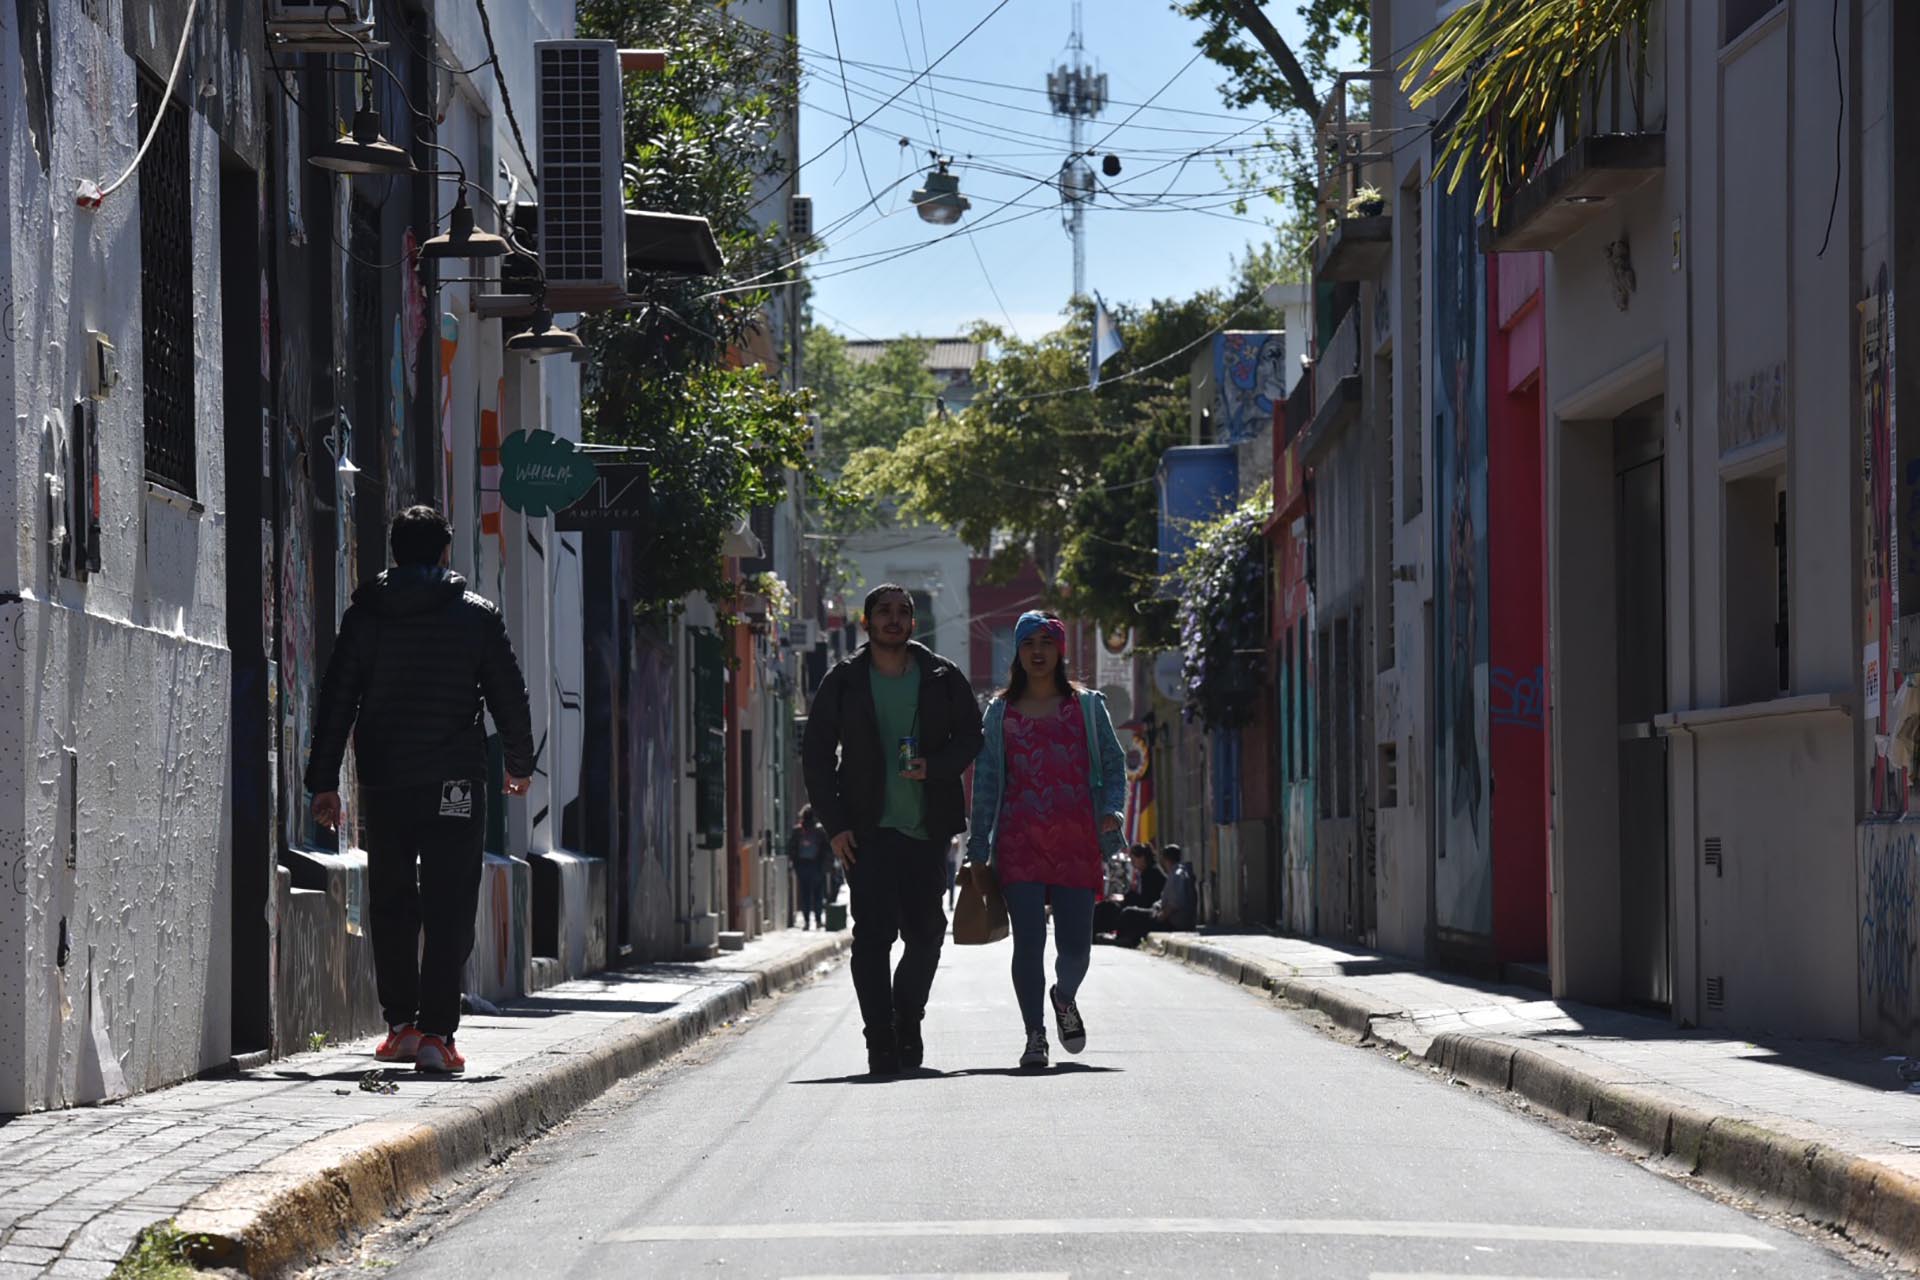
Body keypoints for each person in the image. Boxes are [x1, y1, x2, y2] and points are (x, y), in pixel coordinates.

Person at [305, 506, 535, 1076]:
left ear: (395, 552)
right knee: (450, 900)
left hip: (386, 780)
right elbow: (509, 693)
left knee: (391, 899)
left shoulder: (366, 616)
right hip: (455, 779)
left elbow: (338, 698)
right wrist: (519, 761)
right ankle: (437, 1036)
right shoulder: (477, 617)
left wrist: (324, 782)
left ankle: (400, 1026)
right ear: (443, 553)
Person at [801, 583, 984, 1076]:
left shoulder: (941, 676)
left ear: (912, 623)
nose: (895, 620)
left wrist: (937, 766)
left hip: (928, 829)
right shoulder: (843, 680)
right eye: (884, 612)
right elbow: (816, 756)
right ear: (867, 622)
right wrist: (835, 826)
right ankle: (879, 1037)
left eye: (903, 612)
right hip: (866, 832)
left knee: (927, 934)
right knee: (873, 938)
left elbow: (973, 734)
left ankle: (908, 1017)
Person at [964, 611, 1126, 1070]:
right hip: (1019, 842)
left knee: (1076, 948)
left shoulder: (1089, 707)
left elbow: (1114, 766)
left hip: (1078, 841)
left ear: (1060, 650)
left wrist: (1111, 811)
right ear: (1017, 652)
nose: (1038, 651)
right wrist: (979, 851)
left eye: (1046, 642)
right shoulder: (1000, 713)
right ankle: (1035, 1035)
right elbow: (987, 783)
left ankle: (1064, 996)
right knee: (1028, 944)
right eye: (1028, 643)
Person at [1115, 844, 1197, 949]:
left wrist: (1159, 917)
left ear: (1166, 860)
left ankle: (1126, 939)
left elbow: (1174, 904)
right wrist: (1157, 907)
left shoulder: (1177, 875)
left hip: (1172, 923)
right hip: (1168, 917)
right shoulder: (1177, 872)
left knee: (1129, 912)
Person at [1093, 842, 1166, 938]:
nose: (1132, 864)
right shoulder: (1146, 873)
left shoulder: (1152, 874)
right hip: (1143, 906)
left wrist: (1127, 898)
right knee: (1107, 905)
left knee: (1111, 909)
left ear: (1142, 858)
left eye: (1134, 860)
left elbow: (1147, 900)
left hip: (1151, 911)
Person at [787, 805, 830, 930]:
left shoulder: (797, 831)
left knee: (805, 894)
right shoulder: (819, 831)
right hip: (816, 866)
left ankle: (806, 921)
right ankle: (818, 920)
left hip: (802, 866)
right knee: (818, 894)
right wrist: (826, 867)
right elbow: (827, 849)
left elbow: (791, 849)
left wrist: (795, 864)